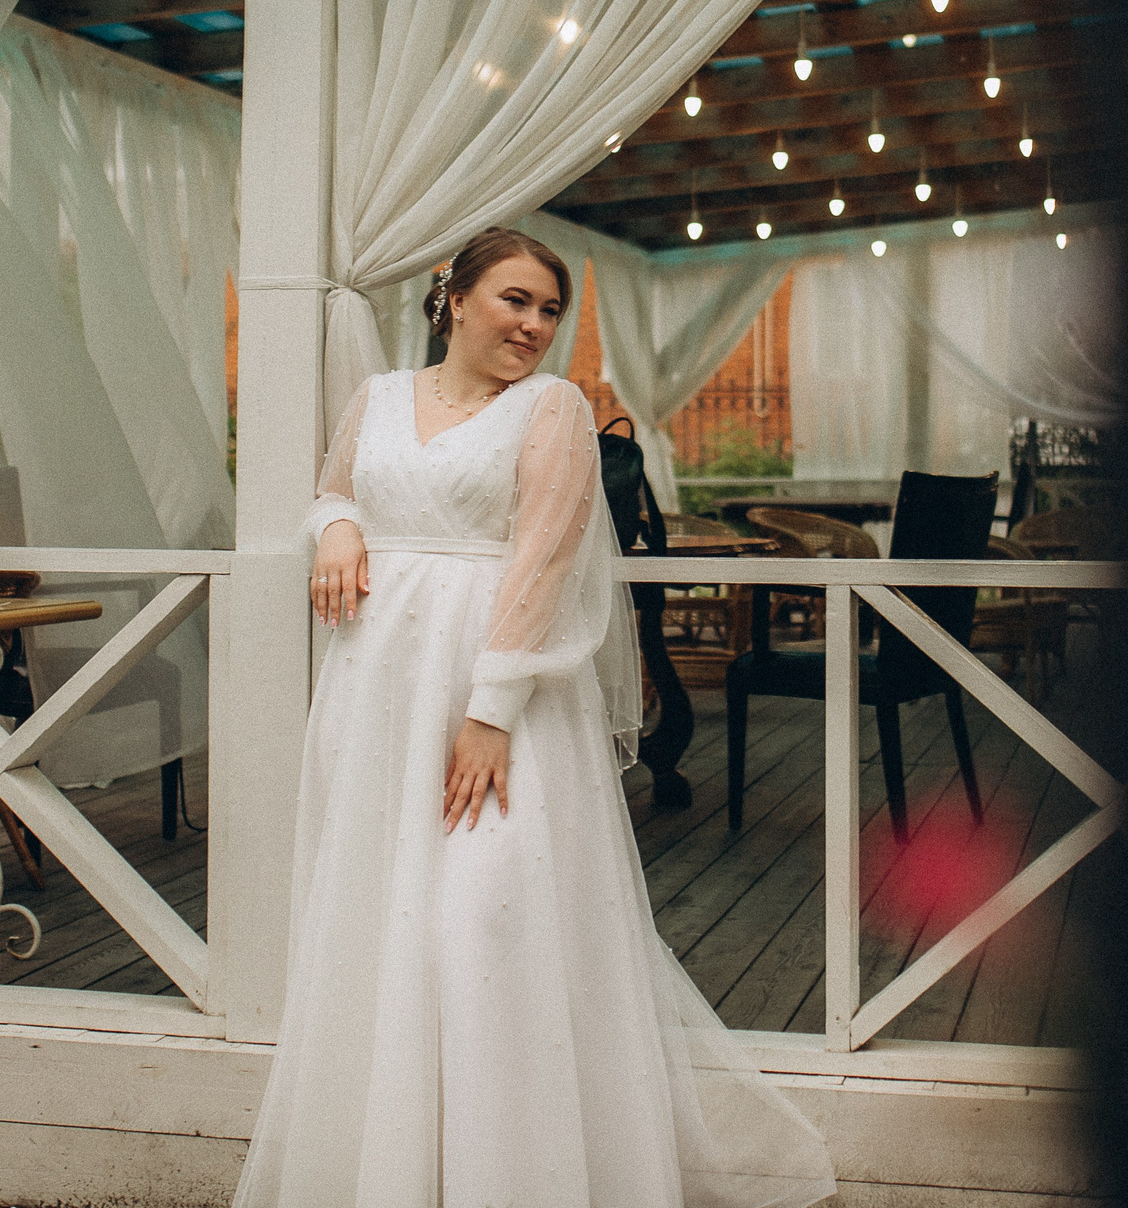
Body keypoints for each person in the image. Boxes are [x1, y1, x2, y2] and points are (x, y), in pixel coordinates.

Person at [230, 227, 837, 1208]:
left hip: (495, 698)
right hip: (377, 689)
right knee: (386, 925)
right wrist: (335, 527)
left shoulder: (552, 409)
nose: (534, 325)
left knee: (486, 928)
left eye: (549, 310)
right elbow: (331, 490)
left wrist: (491, 710)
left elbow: (544, 562)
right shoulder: (375, 398)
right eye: (515, 300)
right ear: (453, 296)